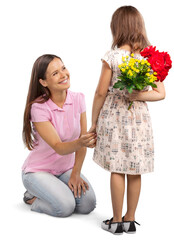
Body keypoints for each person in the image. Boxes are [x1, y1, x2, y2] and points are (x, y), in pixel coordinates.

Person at [89, 6, 165, 234]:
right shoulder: (149, 58)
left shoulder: (112, 57)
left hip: (115, 118)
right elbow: (160, 93)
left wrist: (94, 122)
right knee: (134, 170)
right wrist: (139, 95)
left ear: (116, 28)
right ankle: (130, 219)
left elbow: (100, 93)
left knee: (117, 168)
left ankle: (115, 221)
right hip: (139, 120)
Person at [22, 54, 96, 217]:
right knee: (65, 207)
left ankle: (55, 192)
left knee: (87, 204)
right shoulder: (39, 108)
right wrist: (81, 142)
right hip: (38, 171)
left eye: (63, 68)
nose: (63, 75)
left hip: (64, 169)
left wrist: (76, 173)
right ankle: (32, 197)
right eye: (55, 73)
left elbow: (81, 143)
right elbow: (59, 147)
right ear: (43, 82)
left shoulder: (78, 99)